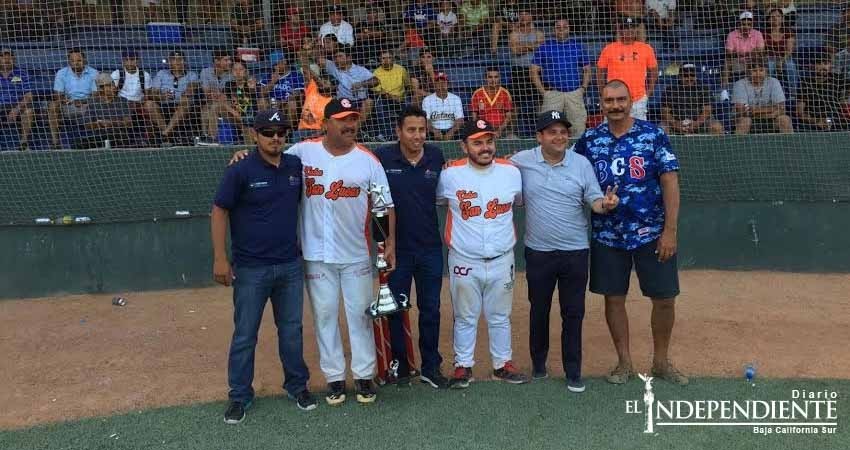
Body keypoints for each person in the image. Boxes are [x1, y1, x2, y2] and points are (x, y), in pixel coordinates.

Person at [573, 80, 687, 386]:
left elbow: (670, 181)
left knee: (664, 298)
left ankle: (661, 362)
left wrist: (670, 231)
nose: (615, 105)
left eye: (621, 99)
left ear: (631, 101)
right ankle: (624, 362)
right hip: (607, 235)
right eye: (609, 100)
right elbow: (568, 170)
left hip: (651, 233)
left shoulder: (653, 135)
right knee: (613, 299)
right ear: (601, 103)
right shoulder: (589, 140)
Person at [288, 98, 395, 405]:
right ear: (326, 124)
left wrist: (389, 243)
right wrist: (243, 154)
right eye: (343, 120)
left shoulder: (368, 161)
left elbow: (385, 206)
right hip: (316, 253)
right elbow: (270, 160)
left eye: (354, 119)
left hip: (356, 253)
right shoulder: (302, 152)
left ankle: (363, 376)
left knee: (360, 315)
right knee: (324, 316)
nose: (350, 125)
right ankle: (334, 377)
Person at [213, 109, 317, 425]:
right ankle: (239, 396)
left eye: (281, 133)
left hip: (289, 265)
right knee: (245, 334)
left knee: (292, 331)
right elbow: (219, 211)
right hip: (250, 269)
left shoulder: (295, 165)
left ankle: (297, 386)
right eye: (268, 133)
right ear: (254, 135)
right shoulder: (240, 169)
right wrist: (220, 258)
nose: (275, 138)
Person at [509, 110, 619, 393]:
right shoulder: (522, 161)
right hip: (539, 252)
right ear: (539, 137)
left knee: (573, 313)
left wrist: (605, 204)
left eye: (563, 132)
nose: (559, 137)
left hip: (575, 252)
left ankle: (573, 371)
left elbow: (594, 198)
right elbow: (494, 168)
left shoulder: (580, 163)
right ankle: (539, 365)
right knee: (539, 310)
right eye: (552, 132)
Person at [437, 118, 529, 388]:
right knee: (465, 316)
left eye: (489, 141)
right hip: (464, 258)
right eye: (477, 143)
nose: (485, 147)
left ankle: (502, 365)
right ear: (463, 146)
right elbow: (439, 200)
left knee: (500, 315)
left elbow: (519, 202)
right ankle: (463, 366)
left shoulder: (511, 172)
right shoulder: (449, 175)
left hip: (502, 257)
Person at [374, 105, 449, 388]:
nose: (418, 136)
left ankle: (431, 366)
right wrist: (384, 243)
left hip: (430, 248)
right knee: (395, 309)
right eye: (411, 130)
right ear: (398, 131)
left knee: (431, 309)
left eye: (422, 130)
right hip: (397, 251)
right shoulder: (382, 157)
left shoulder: (435, 156)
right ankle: (401, 365)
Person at [530, 18, 591, 137]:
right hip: (553, 94)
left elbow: (587, 69)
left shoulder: (577, 46)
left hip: (574, 94)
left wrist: (583, 88)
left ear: (569, 29)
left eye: (564, 27)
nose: (561, 30)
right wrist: (544, 92)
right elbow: (533, 71)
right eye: (558, 27)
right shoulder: (545, 47)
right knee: (549, 127)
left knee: (578, 128)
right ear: (554, 29)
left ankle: (577, 148)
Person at [597, 16, 658, 120]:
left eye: (632, 27)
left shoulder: (646, 48)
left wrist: (648, 93)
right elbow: (599, 72)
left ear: (636, 30)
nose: (629, 30)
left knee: (638, 129)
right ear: (620, 31)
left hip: (638, 99)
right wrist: (604, 93)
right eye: (625, 28)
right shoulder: (609, 49)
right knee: (613, 128)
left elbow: (654, 71)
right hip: (614, 100)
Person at [146, 50, 200, 145]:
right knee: (149, 104)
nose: (177, 62)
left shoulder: (192, 75)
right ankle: (167, 133)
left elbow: (191, 90)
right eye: (174, 59)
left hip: (182, 104)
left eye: (180, 59)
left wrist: (183, 95)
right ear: (169, 62)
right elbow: (152, 93)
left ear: (184, 62)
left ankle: (165, 134)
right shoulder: (161, 73)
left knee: (186, 101)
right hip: (164, 104)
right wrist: (161, 96)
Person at [49, 48, 99, 149]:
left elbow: (96, 95)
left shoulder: (94, 73)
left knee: (96, 106)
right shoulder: (61, 73)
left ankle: (92, 141)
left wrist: (83, 102)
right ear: (69, 61)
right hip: (68, 105)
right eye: (72, 61)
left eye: (79, 60)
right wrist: (65, 100)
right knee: (52, 106)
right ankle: (55, 143)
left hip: (88, 105)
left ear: (84, 60)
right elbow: (57, 94)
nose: (76, 63)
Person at [732, 58, 793, 134]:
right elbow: (742, 111)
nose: (758, 74)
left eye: (761, 70)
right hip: (750, 119)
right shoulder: (740, 84)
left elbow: (781, 108)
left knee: (785, 119)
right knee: (745, 121)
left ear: (766, 71)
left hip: (771, 119)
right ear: (748, 72)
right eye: (754, 71)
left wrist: (755, 111)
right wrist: (771, 111)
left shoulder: (774, 82)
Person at [660, 64, 725, 135]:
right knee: (662, 128)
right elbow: (665, 112)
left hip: (700, 121)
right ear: (680, 77)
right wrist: (675, 124)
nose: (689, 78)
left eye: (692, 75)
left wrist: (696, 124)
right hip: (676, 121)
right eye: (685, 76)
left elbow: (707, 111)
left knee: (716, 127)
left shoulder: (704, 88)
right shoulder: (670, 90)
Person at [508, 10, 544, 136]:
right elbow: (515, 50)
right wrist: (532, 46)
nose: (523, 16)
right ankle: (512, 133)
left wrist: (523, 45)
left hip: (536, 71)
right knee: (515, 104)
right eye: (521, 14)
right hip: (519, 71)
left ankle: (541, 131)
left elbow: (541, 49)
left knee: (539, 102)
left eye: (526, 13)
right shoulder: (514, 34)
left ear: (531, 16)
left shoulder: (538, 33)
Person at [75, 73, 132, 149]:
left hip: (118, 135)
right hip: (99, 135)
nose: (114, 88)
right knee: (79, 143)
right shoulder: (94, 103)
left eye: (113, 85)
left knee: (119, 137)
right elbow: (87, 125)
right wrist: (99, 124)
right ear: (101, 89)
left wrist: (111, 123)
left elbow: (128, 122)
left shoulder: (122, 101)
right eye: (109, 86)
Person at [796, 56, 849, 131]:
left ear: (830, 65)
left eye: (826, 63)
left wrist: (844, 99)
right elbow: (799, 112)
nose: (823, 66)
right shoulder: (805, 83)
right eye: (819, 63)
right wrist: (816, 121)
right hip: (814, 121)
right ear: (812, 66)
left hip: (835, 119)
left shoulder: (836, 79)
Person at [0, 47, 34, 151]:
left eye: (9, 56)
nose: (6, 59)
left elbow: (29, 96)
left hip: (16, 105)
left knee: (28, 111)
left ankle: (23, 143)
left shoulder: (22, 74)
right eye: (3, 57)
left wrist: (16, 109)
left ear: (14, 59)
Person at [259, 54, 305, 127]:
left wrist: (282, 102)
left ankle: (289, 130)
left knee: (292, 103)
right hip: (271, 103)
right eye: (274, 65)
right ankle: (265, 128)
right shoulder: (269, 75)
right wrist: (273, 82)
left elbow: (296, 94)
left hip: (286, 104)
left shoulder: (296, 75)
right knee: (262, 102)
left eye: (277, 64)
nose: (275, 67)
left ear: (284, 61)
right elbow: (262, 93)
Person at [200, 49, 235, 144]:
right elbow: (206, 93)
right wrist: (218, 94)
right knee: (206, 108)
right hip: (211, 102)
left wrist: (216, 94)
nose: (229, 62)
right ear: (216, 61)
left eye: (230, 60)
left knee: (214, 106)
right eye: (226, 60)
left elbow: (228, 96)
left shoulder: (233, 74)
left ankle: (212, 138)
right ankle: (204, 136)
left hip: (229, 105)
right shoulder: (205, 72)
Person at [722, 11, 765, 88]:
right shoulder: (731, 35)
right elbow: (729, 53)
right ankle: (724, 88)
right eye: (743, 24)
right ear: (739, 24)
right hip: (737, 60)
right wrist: (744, 54)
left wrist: (746, 54)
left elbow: (760, 51)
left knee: (759, 58)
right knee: (727, 61)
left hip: (753, 60)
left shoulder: (758, 34)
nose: (746, 27)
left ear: (752, 25)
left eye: (749, 24)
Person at [470, 67, 514, 138]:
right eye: (490, 77)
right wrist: (482, 131)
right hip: (483, 130)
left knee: (513, 138)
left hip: (502, 130)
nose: (493, 80)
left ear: (499, 78)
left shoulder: (505, 93)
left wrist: (499, 131)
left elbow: (508, 117)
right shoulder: (477, 94)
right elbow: (474, 118)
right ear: (485, 78)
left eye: (496, 77)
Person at [422, 72, 464, 141]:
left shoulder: (456, 98)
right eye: (438, 83)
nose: (441, 85)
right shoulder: (427, 100)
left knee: (462, 131)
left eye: (443, 82)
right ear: (434, 85)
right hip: (433, 130)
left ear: (448, 85)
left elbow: (460, 120)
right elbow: (426, 121)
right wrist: (434, 131)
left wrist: (451, 132)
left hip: (452, 129)